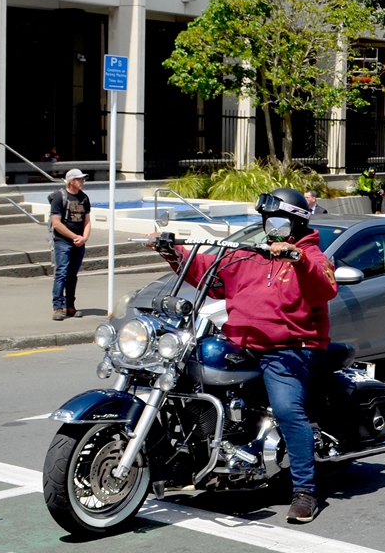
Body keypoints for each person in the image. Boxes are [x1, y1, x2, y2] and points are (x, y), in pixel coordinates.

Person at [150, 188, 337, 524]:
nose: (270, 226)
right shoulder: (251, 255)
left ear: (296, 222)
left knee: (286, 408)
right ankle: (183, 460)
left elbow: (324, 285)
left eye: (277, 220)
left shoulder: (312, 257)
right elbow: (208, 270)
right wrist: (172, 251)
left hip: (289, 349)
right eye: (266, 220)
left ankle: (305, 491)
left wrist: (299, 258)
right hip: (242, 343)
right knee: (184, 378)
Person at [49, 169, 91, 321]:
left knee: (72, 275)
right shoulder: (60, 197)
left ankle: (70, 306)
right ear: (71, 181)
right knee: (62, 273)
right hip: (63, 241)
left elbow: (87, 221)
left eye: (83, 179)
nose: (82, 182)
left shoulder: (84, 198)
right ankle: (58, 307)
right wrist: (74, 237)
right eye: (79, 179)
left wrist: (84, 238)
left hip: (79, 242)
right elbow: (56, 223)